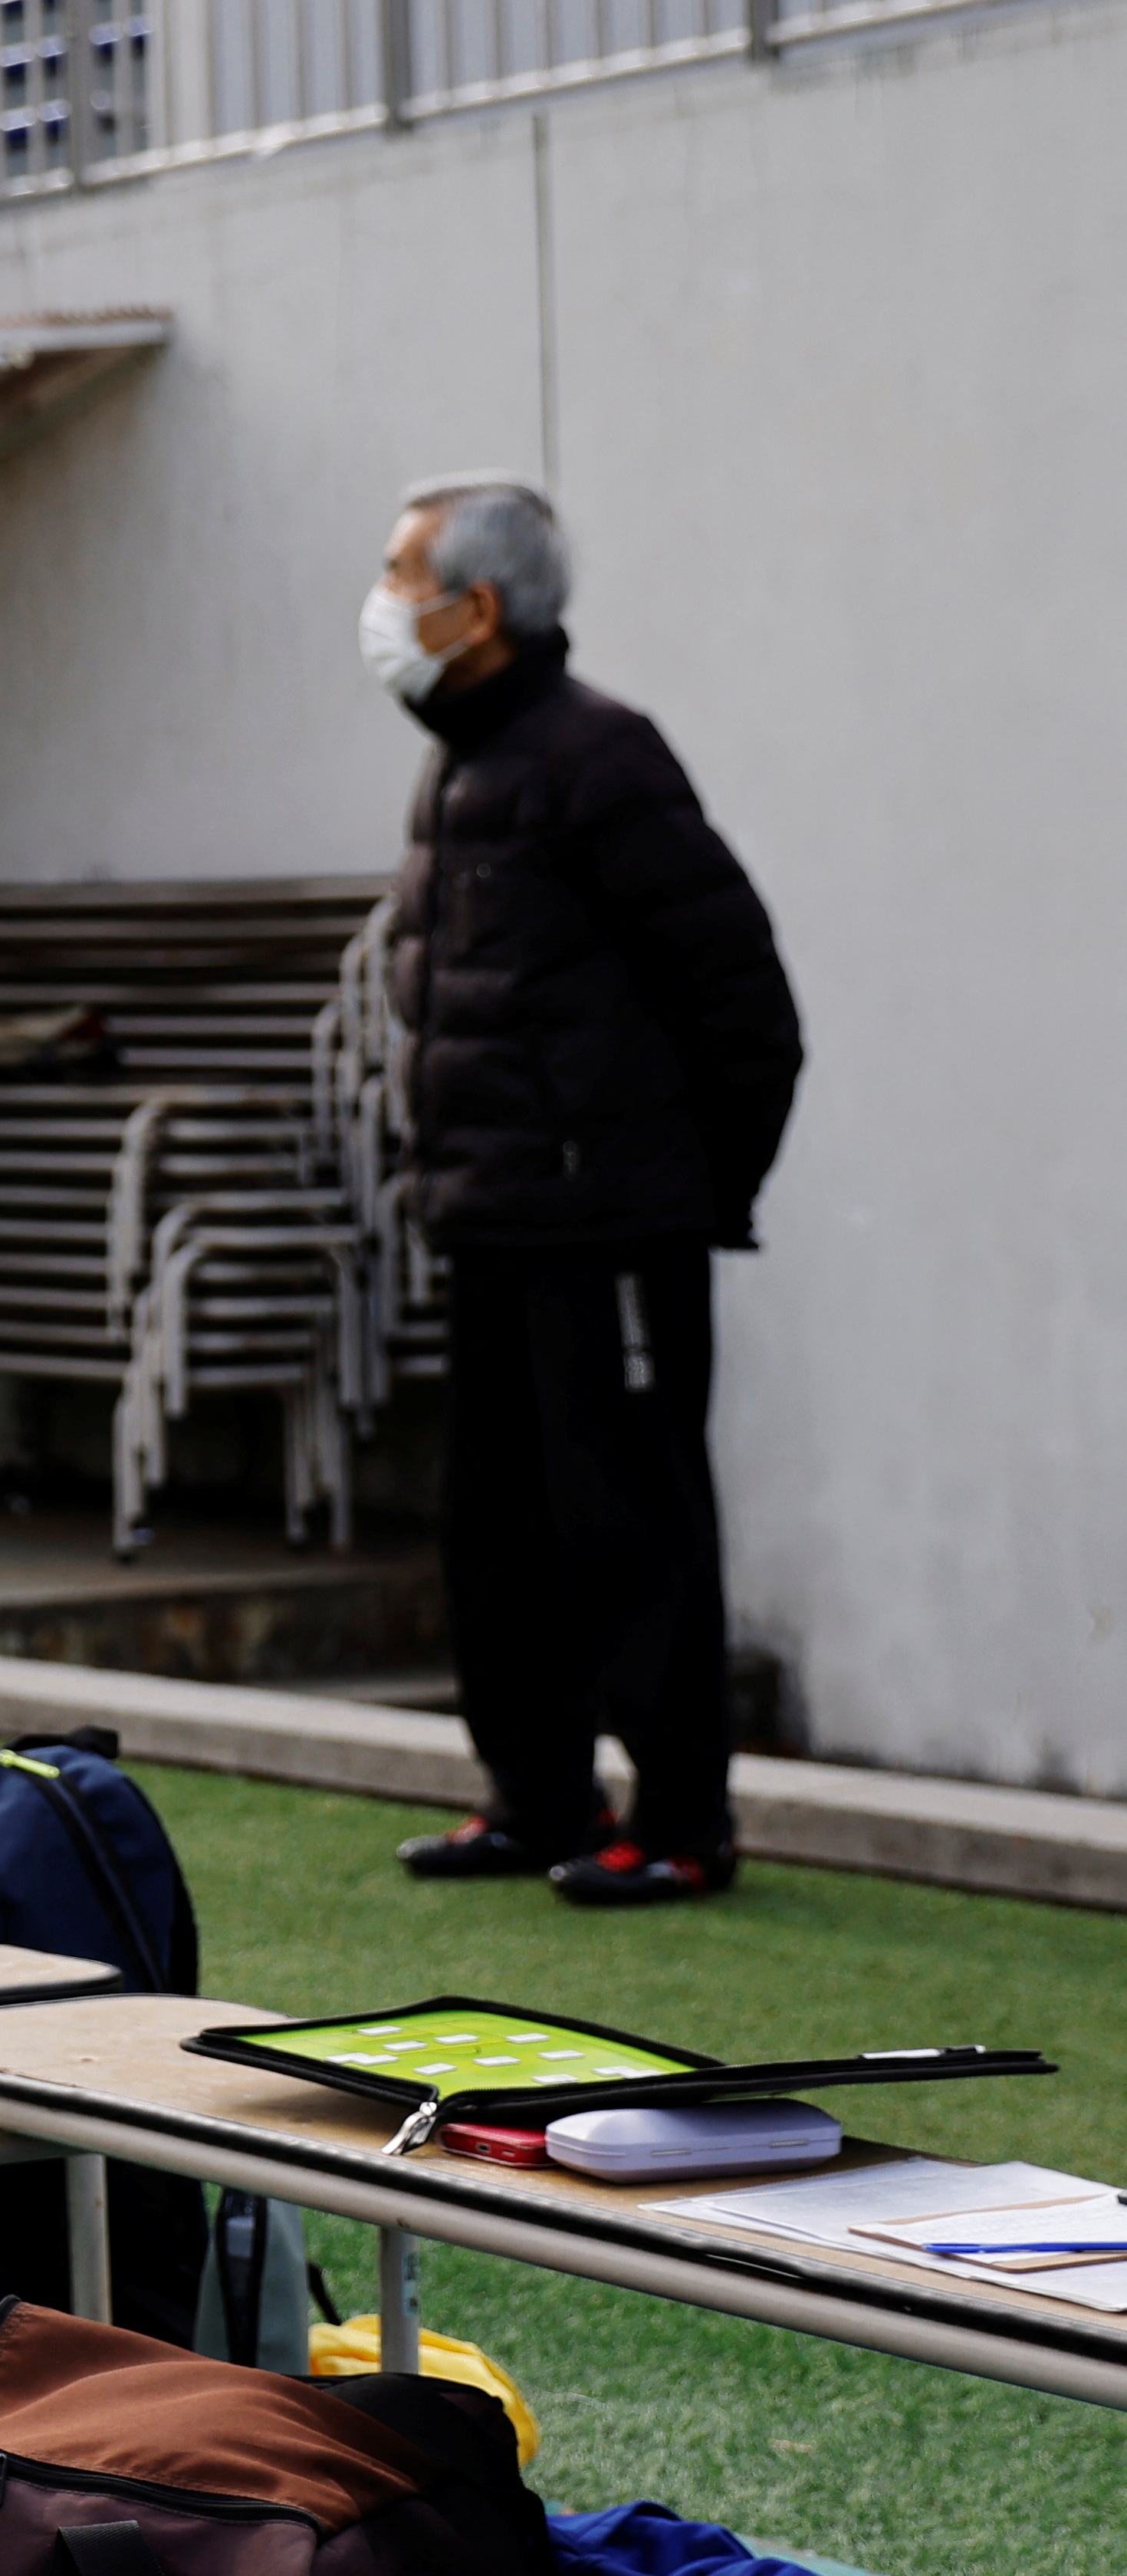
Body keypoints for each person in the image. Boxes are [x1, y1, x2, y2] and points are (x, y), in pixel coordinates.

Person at [376, 475, 800, 1909]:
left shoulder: (602, 757)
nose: (380, 610)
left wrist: (678, 1194)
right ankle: (538, 1796)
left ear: (476, 608)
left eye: (400, 577)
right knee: (493, 1525)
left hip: (608, 1227)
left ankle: (681, 1818)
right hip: (490, 1216)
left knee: (633, 1518)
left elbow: (744, 1001)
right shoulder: (465, 759)